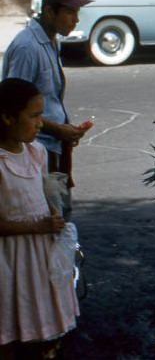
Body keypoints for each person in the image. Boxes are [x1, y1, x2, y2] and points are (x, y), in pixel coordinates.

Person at [0, 78, 79, 359]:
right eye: (33, 116)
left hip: (38, 258)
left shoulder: (37, 152)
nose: (41, 123)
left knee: (37, 320)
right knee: (7, 326)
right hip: (8, 261)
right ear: (8, 118)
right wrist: (36, 226)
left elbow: (42, 194)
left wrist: (53, 214)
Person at [2, 0, 94, 220]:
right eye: (70, 13)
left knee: (59, 214)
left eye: (77, 13)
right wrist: (57, 129)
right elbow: (14, 106)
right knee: (46, 218)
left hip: (52, 146)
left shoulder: (52, 40)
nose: (75, 20)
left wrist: (66, 130)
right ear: (50, 12)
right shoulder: (27, 47)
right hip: (34, 150)